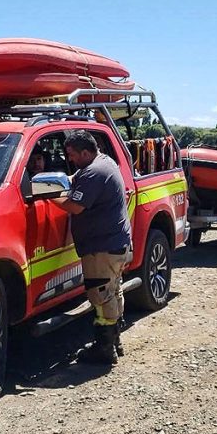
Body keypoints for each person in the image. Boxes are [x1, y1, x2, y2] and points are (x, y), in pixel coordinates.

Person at [53, 130, 132, 365]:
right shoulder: (104, 161)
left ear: (86, 153)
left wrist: (49, 194)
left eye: (72, 155)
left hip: (102, 248)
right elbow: (76, 178)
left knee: (100, 295)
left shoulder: (94, 173)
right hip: (115, 243)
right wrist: (61, 179)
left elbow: (75, 207)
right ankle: (114, 341)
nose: (69, 159)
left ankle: (104, 349)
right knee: (113, 291)